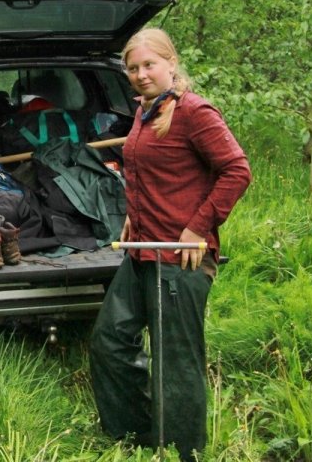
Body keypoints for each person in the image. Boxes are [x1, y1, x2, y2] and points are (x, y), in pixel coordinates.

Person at [88, 27, 252, 461]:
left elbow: (237, 170)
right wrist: (131, 216)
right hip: (142, 250)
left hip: (179, 261)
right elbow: (149, 174)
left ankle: (183, 452)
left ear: (171, 64)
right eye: (133, 68)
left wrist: (199, 227)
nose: (141, 74)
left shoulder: (196, 112)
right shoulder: (144, 112)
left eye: (149, 65)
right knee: (110, 341)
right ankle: (139, 437)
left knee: (177, 364)